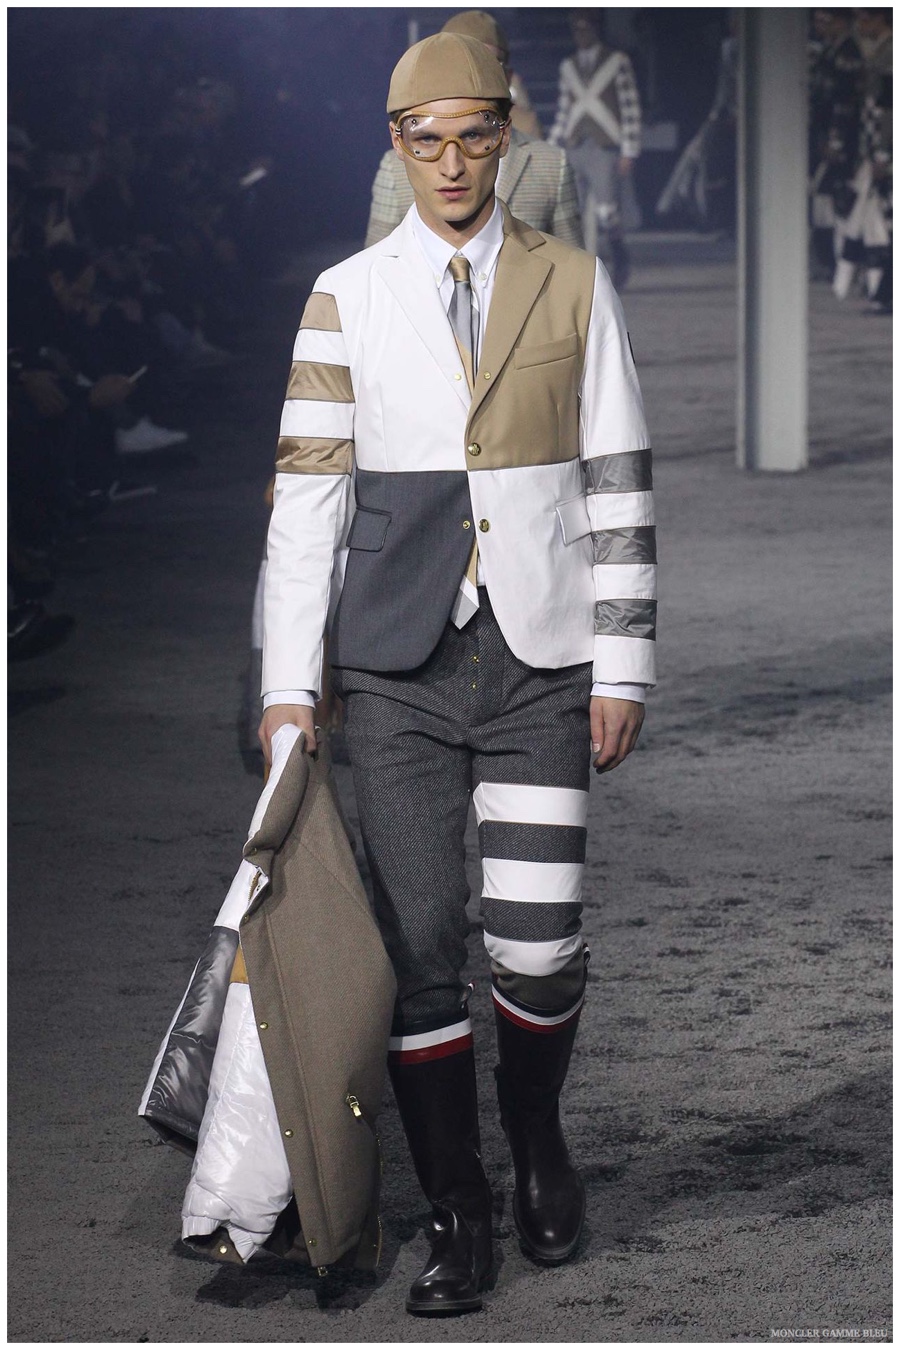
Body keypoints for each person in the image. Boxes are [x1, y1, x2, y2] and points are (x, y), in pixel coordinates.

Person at [259, 32, 655, 1316]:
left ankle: (535, 1134)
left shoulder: (575, 283)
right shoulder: (346, 295)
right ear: (396, 146)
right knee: (418, 948)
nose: (449, 161)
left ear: (505, 136)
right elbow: (306, 500)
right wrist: (288, 686)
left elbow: (617, 481)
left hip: (542, 660)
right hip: (393, 669)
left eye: (472, 135)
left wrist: (625, 663)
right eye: (424, 139)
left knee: (537, 948)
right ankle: (457, 1207)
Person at [365, 12, 582, 248]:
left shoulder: (551, 165)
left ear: (507, 75)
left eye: (487, 63)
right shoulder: (396, 167)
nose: (472, 73)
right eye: (455, 63)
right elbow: (378, 257)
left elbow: (570, 261)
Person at [548, 10, 642, 287]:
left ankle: (619, 258)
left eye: (586, 28)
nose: (581, 35)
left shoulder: (616, 62)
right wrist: (551, 147)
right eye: (577, 30)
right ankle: (582, 272)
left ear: (596, 29)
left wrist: (630, 149)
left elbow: (629, 106)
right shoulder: (568, 66)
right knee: (573, 211)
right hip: (575, 146)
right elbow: (564, 111)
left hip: (604, 146)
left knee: (606, 210)